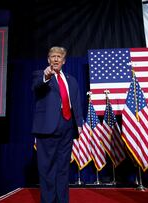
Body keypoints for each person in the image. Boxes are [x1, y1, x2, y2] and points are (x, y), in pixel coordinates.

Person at [32, 46, 83, 203]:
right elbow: (36, 87)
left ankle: (62, 200)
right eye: (52, 56)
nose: (55, 59)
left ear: (63, 61)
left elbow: (76, 103)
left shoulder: (71, 80)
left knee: (63, 168)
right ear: (48, 60)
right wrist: (46, 77)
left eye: (58, 57)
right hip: (47, 128)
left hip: (67, 126)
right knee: (47, 168)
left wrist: (79, 123)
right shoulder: (40, 75)